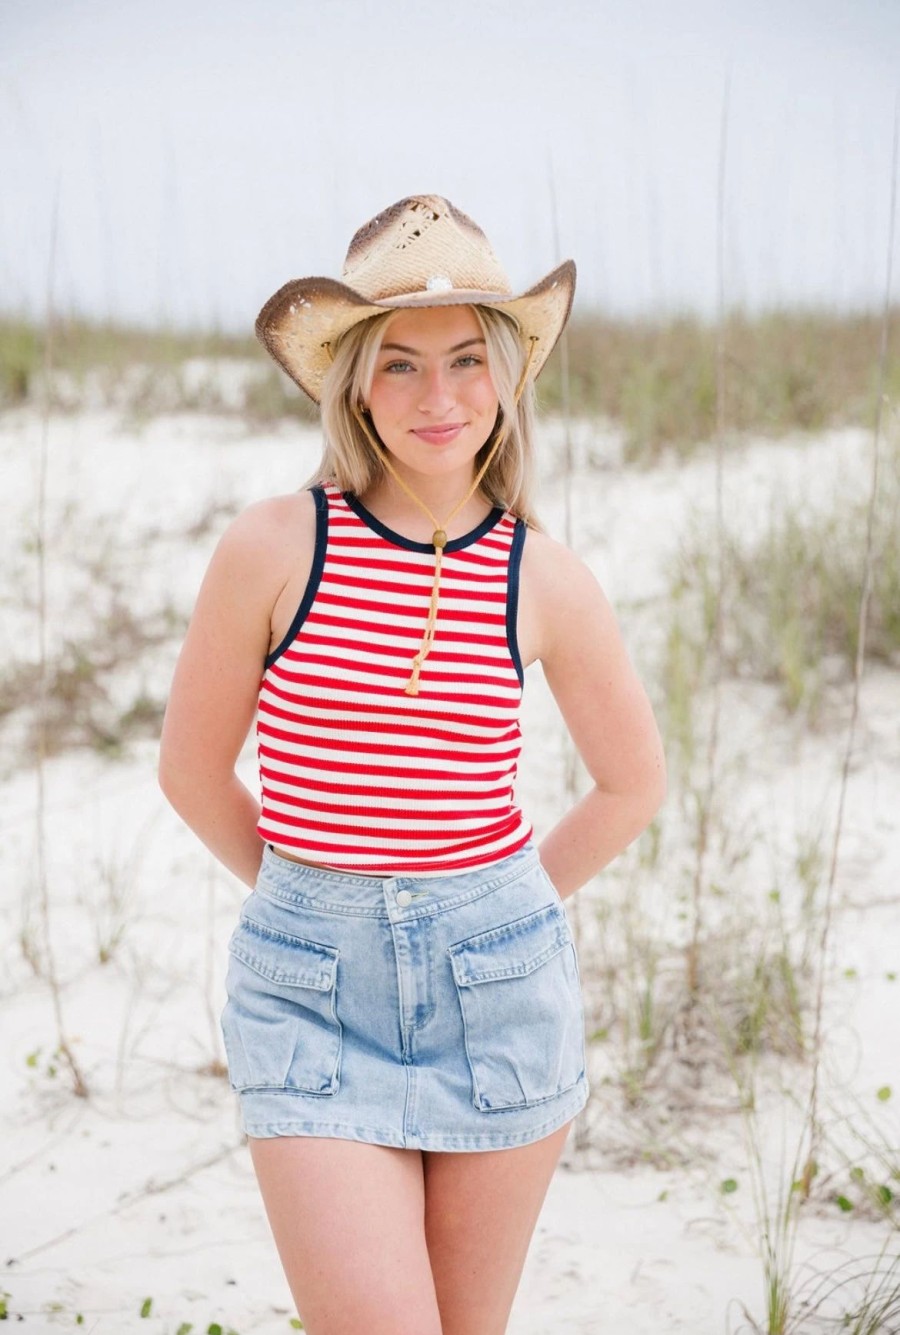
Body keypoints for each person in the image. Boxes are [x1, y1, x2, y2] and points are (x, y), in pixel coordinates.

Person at [159, 194, 666, 1335]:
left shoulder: (543, 576)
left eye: (464, 361)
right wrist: (311, 904)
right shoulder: (276, 546)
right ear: (352, 385)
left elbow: (635, 784)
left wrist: (499, 908)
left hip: (499, 992)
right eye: (398, 365)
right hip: (310, 996)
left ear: (505, 375)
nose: (437, 399)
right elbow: (190, 772)